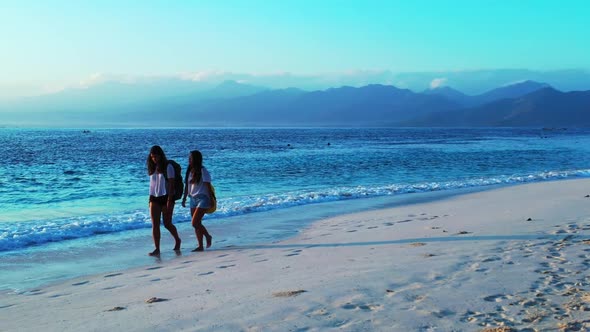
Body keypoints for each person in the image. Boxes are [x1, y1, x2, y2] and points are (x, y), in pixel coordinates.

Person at [146, 145, 182, 256]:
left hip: (166, 197)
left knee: (167, 223)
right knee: (155, 224)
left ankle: (177, 239)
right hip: (154, 198)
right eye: (152, 157)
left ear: (161, 156)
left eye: (156, 156)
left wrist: (170, 200)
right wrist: (149, 200)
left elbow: (171, 184)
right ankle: (157, 249)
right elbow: (152, 185)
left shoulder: (168, 167)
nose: (154, 159)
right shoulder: (152, 168)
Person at [181, 150, 213, 252]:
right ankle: (200, 246)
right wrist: (184, 197)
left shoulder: (203, 170)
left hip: (203, 198)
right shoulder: (189, 171)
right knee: (197, 223)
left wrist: (211, 199)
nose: (189, 160)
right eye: (189, 158)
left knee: (194, 223)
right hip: (192, 199)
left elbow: (208, 186)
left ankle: (208, 236)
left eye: (191, 158)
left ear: (196, 159)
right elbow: (187, 186)